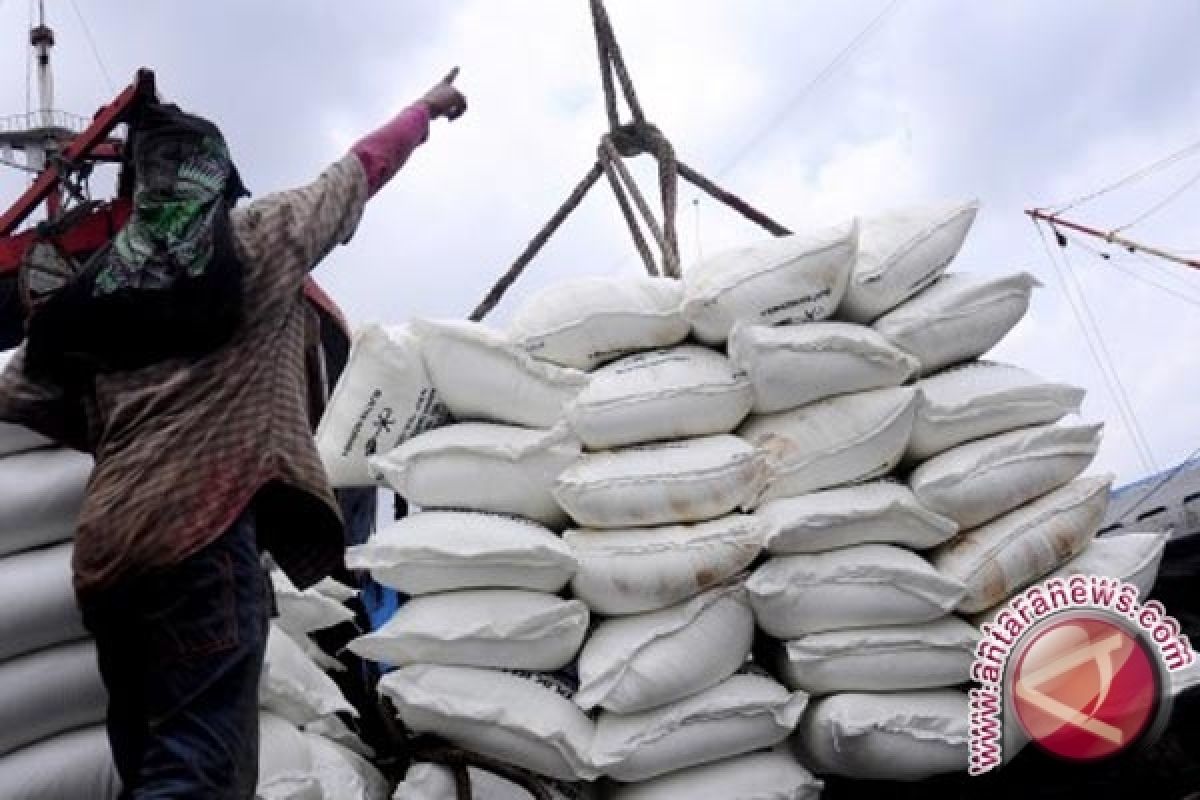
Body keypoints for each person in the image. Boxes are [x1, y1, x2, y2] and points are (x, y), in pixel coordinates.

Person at [0, 69, 467, 798]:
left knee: (148, 761)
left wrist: (111, 427)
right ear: (213, 174)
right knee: (200, 771)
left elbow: (20, 390)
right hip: (201, 539)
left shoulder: (92, 292)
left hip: (108, 560)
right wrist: (425, 110)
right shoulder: (256, 238)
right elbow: (353, 176)